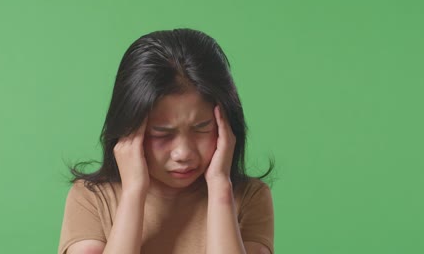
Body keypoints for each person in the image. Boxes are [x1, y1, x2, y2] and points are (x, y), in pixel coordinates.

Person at [58, 28, 275, 254]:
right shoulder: (92, 198)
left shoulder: (249, 197)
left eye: (202, 128)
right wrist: (133, 192)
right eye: (162, 133)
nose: (183, 153)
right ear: (127, 130)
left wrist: (220, 188)